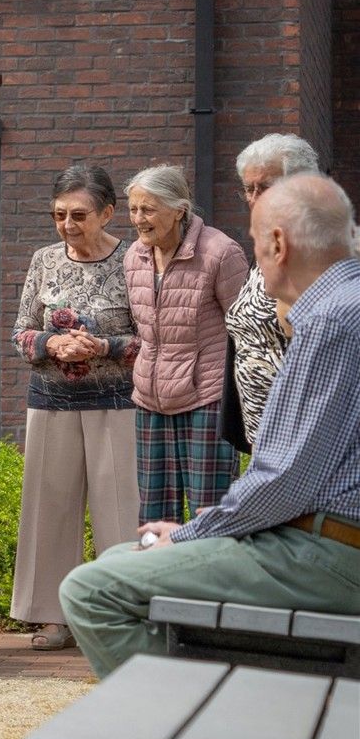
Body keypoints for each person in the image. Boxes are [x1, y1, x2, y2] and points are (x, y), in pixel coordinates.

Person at [61, 176, 360, 677]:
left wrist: (190, 536)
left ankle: (188, 734)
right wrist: (198, 534)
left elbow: (283, 482)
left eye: (256, 242)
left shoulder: (332, 321)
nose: (255, 265)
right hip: (318, 539)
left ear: (279, 245)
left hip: (326, 552)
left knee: (92, 589)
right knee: (127, 553)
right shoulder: (342, 307)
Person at [7, 164, 141, 651]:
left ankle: (121, 613)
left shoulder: (135, 261)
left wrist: (101, 347)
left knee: (122, 514)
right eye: (59, 214)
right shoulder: (43, 260)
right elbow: (20, 332)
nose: (67, 224)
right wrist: (51, 344)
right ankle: (51, 616)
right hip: (50, 401)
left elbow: (152, 340)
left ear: (107, 213)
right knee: (49, 510)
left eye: (79, 214)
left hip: (117, 401)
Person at [123, 164, 247, 523]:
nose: (138, 219)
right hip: (150, 400)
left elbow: (244, 329)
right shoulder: (135, 256)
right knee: (153, 518)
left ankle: (213, 580)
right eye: (133, 209)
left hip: (206, 399)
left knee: (210, 514)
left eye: (148, 209)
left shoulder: (221, 253)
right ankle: (156, 581)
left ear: (179, 210)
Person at [226, 133, 320, 448]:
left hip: (306, 431)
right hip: (265, 432)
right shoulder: (267, 247)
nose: (254, 198)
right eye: (248, 188)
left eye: (264, 187)